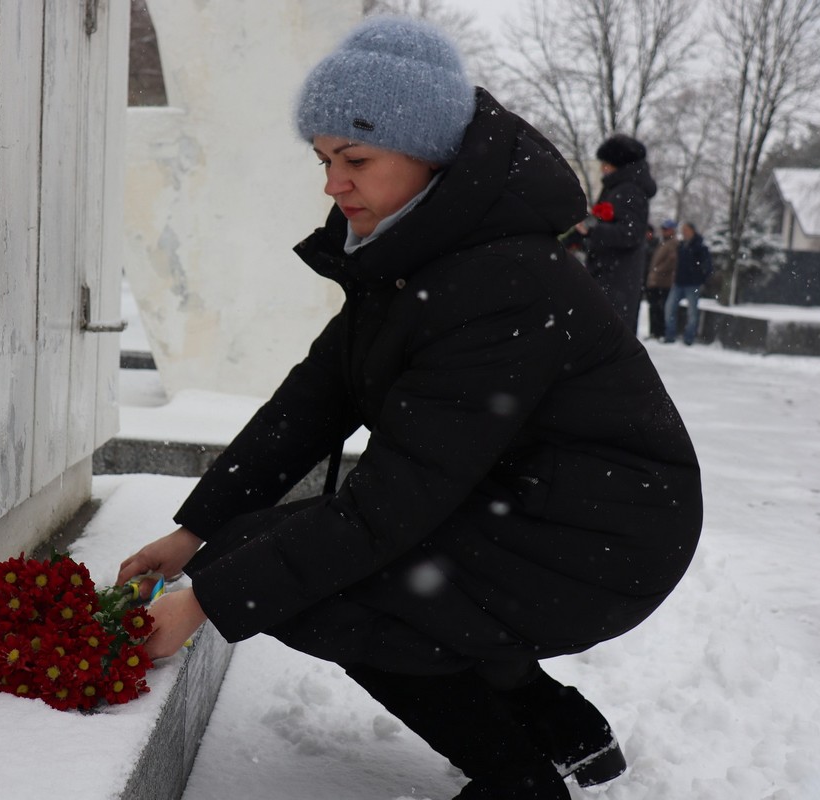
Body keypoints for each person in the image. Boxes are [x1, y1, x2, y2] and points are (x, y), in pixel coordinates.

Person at [118, 16, 702, 800]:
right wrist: (195, 529)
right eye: (324, 160)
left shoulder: (500, 281)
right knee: (278, 554)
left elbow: (389, 508)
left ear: (432, 156)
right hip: (524, 502)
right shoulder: (408, 253)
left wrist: (209, 602)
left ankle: (518, 780)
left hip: (601, 532)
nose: (333, 183)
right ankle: (564, 731)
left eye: (355, 159)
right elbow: (314, 399)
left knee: (343, 586)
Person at [575, 133, 657, 334]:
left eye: (606, 163)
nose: (603, 168)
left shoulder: (629, 190)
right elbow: (604, 218)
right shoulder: (617, 189)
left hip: (617, 277)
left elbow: (631, 233)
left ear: (619, 164)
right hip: (611, 274)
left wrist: (592, 229)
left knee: (610, 336)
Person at [665, 221, 713, 345]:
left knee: (692, 312)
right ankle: (670, 335)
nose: (684, 233)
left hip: (692, 284)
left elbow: (707, 266)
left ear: (692, 231)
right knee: (670, 308)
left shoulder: (700, 247)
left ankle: (689, 337)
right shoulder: (681, 246)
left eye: (686, 230)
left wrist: (700, 279)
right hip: (679, 282)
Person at [645, 219, 679, 338]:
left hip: (663, 281)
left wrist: (656, 271)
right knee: (654, 307)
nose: (664, 231)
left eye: (666, 229)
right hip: (656, 280)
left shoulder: (672, 244)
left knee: (660, 307)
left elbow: (671, 262)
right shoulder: (663, 243)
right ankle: (654, 332)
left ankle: (659, 332)